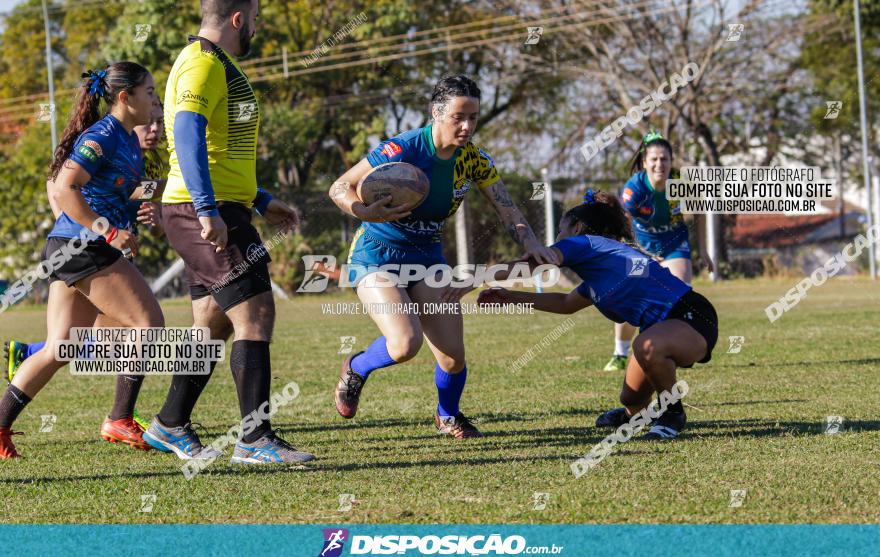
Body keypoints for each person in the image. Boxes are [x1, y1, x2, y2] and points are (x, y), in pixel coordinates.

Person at [327, 74, 556, 439]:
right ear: (436, 113)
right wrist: (361, 210)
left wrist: (530, 242)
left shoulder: (474, 160)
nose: (466, 126)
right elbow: (339, 185)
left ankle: (447, 415)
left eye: (474, 117)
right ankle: (356, 367)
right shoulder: (402, 148)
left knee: (452, 357)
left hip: (428, 257)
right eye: (458, 117)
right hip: (376, 253)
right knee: (404, 345)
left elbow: (506, 207)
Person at [142, 0, 314, 465]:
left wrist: (260, 200)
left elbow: (220, 150)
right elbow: (187, 134)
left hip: (213, 207)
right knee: (255, 315)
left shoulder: (211, 62)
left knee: (210, 325)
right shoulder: (202, 63)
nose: (257, 26)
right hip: (207, 212)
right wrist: (207, 210)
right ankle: (255, 440)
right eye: (256, 18)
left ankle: (169, 423)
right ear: (239, 18)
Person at [0, 62, 165, 459]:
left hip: (72, 247)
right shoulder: (104, 134)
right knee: (149, 323)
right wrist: (108, 230)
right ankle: (119, 418)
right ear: (124, 98)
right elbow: (65, 186)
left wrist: (149, 204)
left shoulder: (127, 140)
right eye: (150, 92)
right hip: (83, 246)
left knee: (61, 348)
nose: (156, 100)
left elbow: (117, 190)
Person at [464, 190, 718, 440]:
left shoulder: (584, 243)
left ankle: (673, 414)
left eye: (561, 230)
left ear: (577, 228)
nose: (558, 238)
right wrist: (510, 297)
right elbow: (565, 302)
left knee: (646, 345)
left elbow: (537, 264)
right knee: (631, 400)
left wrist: (476, 277)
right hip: (661, 331)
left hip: (692, 316)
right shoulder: (599, 272)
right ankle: (635, 416)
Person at [603, 131, 713, 372]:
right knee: (630, 300)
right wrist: (637, 253)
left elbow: (701, 211)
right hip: (642, 247)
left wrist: (704, 249)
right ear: (644, 162)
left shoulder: (681, 184)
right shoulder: (634, 191)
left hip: (674, 244)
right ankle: (620, 353)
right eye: (653, 159)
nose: (659, 164)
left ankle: (669, 350)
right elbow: (624, 226)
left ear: (671, 161)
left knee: (678, 293)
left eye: (664, 159)